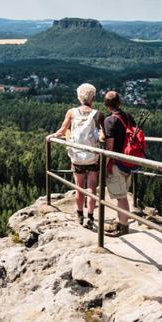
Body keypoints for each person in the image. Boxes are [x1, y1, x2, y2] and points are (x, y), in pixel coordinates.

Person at [50, 83, 104, 227]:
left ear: (79, 96)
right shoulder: (98, 114)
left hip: (77, 156)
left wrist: (52, 136)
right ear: (93, 97)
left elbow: (62, 131)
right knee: (92, 187)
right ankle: (91, 217)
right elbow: (103, 135)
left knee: (79, 187)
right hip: (93, 156)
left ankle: (79, 215)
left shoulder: (72, 112)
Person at [102, 90, 135, 236]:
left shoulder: (110, 120)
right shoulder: (128, 117)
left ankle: (123, 227)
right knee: (123, 194)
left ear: (106, 105)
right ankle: (122, 221)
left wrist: (104, 165)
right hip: (129, 161)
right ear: (119, 102)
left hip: (116, 162)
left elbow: (109, 147)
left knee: (121, 197)